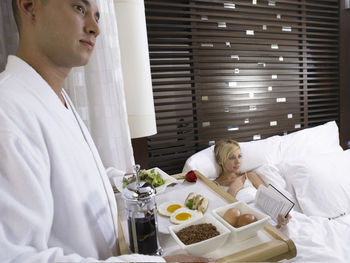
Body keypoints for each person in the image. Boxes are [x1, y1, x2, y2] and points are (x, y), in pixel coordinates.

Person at [0, 0, 212, 262]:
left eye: (97, 16)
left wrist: (117, 178)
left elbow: (69, 179)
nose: (95, 28)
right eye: (79, 8)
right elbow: (13, 256)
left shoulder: (57, 100)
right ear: (30, 6)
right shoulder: (7, 112)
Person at [214, 139, 291, 229]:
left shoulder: (250, 176)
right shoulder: (214, 186)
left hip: (269, 219)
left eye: (239, 156)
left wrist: (283, 216)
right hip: (245, 226)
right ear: (220, 161)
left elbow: (271, 199)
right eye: (232, 157)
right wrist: (233, 189)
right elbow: (224, 215)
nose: (238, 161)